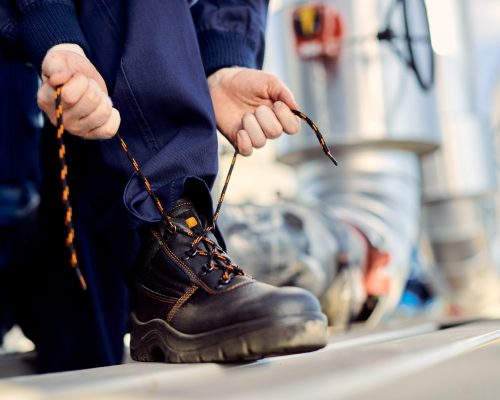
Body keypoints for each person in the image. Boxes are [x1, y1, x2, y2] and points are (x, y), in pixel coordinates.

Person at [0, 0, 328, 371]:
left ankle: (166, 253)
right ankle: (169, 233)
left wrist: (223, 55)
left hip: (55, 206)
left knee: (84, 357)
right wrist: (54, 32)